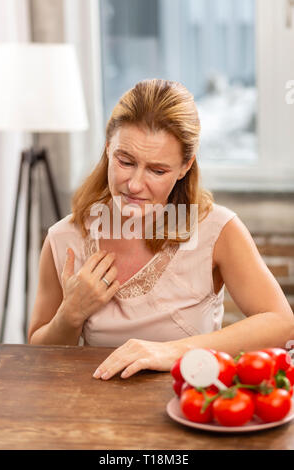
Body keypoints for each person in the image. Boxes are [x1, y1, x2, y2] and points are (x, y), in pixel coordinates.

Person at [28, 79, 294, 381]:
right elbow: (38, 357)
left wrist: (169, 352)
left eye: (157, 170)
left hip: (189, 411)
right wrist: (70, 314)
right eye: (125, 161)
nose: (135, 185)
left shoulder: (217, 230)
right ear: (107, 148)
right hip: (98, 419)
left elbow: (282, 324)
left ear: (184, 166)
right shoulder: (64, 238)